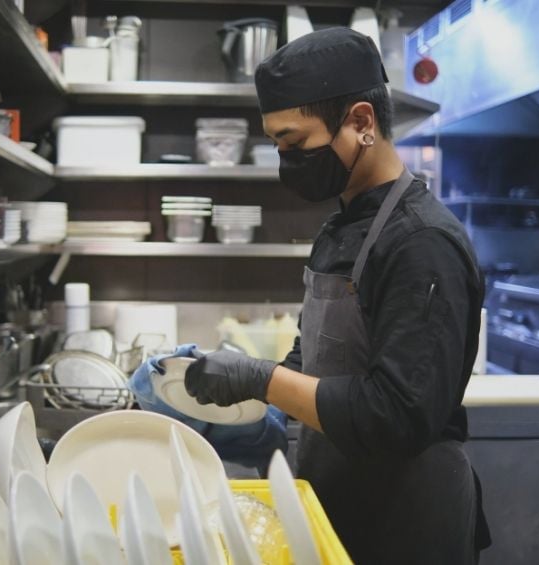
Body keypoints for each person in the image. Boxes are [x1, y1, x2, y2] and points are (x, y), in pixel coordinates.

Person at [185, 27, 491, 564]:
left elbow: (397, 415)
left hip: (408, 517)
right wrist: (262, 415)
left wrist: (257, 377)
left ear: (360, 122)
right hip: (339, 494)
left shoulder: (422, 244)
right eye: (276, 143)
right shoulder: (341, 228)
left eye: (295, 142)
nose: (285, 160)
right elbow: (316, 358)